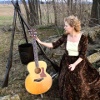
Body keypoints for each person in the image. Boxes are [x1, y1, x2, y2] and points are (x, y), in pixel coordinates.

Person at [35, 15, 100, 100]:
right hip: (67, 60)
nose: (64, 27)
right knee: (65, 78)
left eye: (66, 25)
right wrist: (40, 42)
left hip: (79, 61)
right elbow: (54, 45)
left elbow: (82, 55)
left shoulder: (83, 38)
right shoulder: (65, 36)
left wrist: (74, 65)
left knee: (78, 78)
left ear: (72, 27)